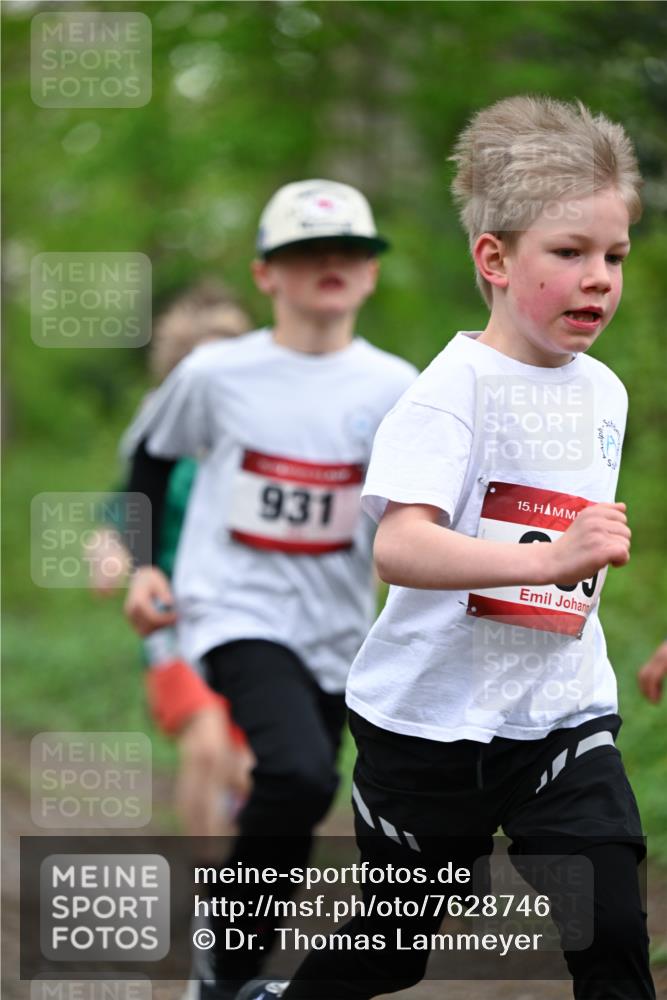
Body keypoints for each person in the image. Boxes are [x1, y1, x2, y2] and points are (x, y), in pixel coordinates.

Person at [242, 98, 656, 1000]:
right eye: (570, 253)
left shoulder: (605, 392)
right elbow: (402, 547)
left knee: (613, 926)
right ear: (495, 259)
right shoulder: (447, 394)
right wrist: (545, 561)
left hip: (559, 713)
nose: (598, 279)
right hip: (428, 724)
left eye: (614, 256)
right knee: (389, 951)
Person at [122, 179, 418, 1000]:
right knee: (294, 776)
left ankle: (226, 972)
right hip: (232, 610)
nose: (330, 264)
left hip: (335, 630)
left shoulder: (399, 387)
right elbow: (145, 461)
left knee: (297, 792)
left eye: (349, 251)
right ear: (265, 274)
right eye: (305, 251)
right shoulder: (217, 374)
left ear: (369, 273)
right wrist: (143, 561)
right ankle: (227, 955)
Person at [89, 281, 255, 839]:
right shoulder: (161, 446)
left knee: (250, 769)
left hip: (252, 618)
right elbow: (121, 512)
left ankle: (239, 877)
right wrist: (110, 554)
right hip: (173, 620)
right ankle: (211, 890)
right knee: (206, 745)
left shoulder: (258, 443)